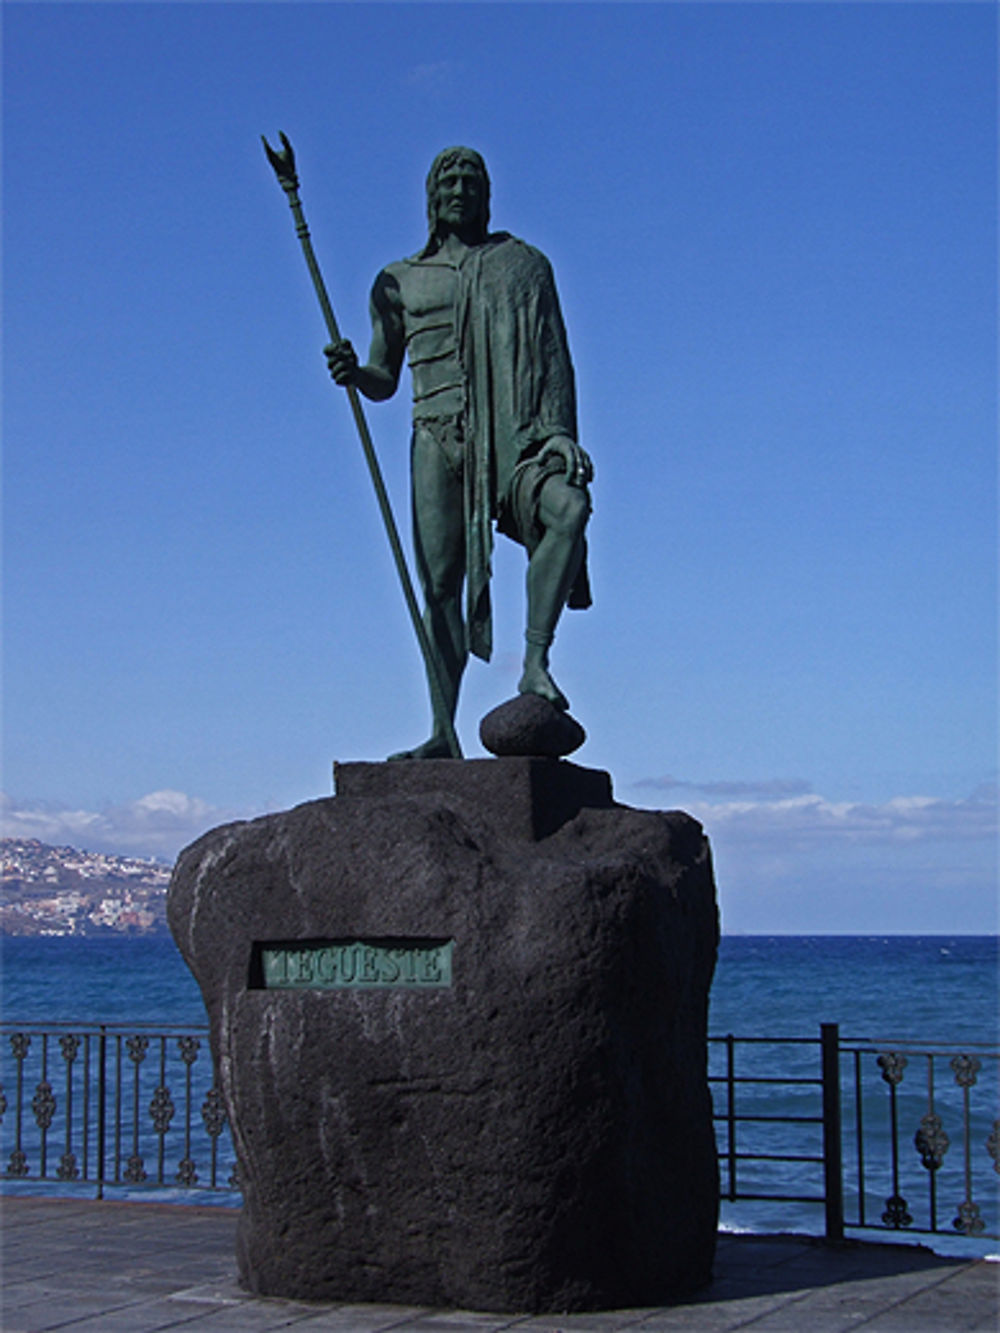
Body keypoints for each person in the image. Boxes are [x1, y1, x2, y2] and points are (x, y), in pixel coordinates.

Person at [326, 147, 592, 759]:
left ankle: (534, 664)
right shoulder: (397, 280)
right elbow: (384, 376)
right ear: (430, 196)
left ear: (487, 193)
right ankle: (443, 732)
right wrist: (353, 374)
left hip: (513, 438)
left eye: (472, 178)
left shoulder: (521, 266)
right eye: (448, 178)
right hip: (436, 436)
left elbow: (554, 357)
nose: (460, 187)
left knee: (569, 509)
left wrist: (557, 430)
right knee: (442, 584)